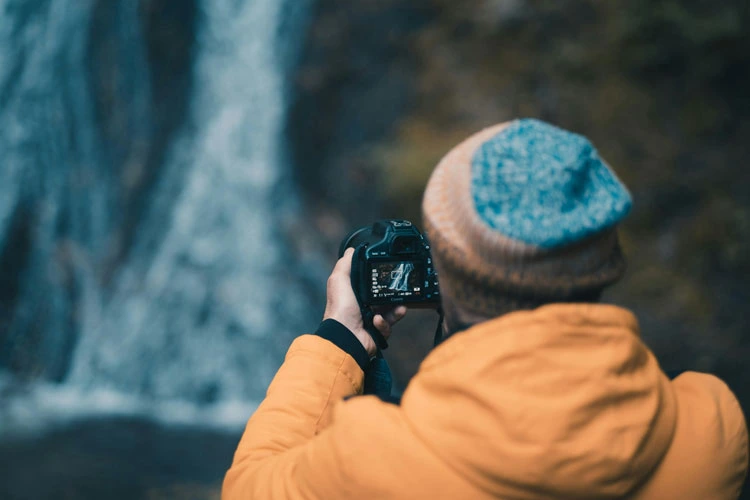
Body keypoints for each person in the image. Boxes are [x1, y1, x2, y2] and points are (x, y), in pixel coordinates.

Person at [222, 119, 748, 499]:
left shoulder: (371, 460)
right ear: (605, 262)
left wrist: (340, 339)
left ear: (446, 274)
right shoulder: (711, 426)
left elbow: (248, 487)